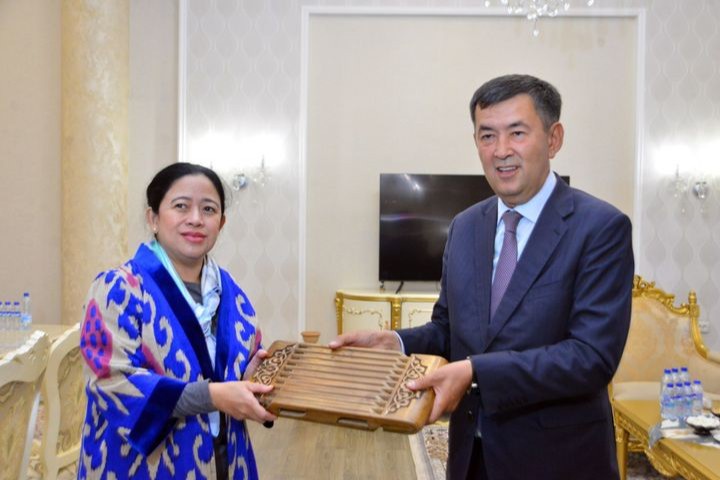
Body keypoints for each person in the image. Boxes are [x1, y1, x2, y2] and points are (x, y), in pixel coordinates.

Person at [330, 74, 634, 479]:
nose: (501, 150)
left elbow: (591, 358)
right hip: (470, 458)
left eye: (517, 133)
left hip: (558, 461)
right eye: (487, 135)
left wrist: (476, 371)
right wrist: (397, 343)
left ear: (554, 139)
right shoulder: (465, 226)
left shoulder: (600, 228)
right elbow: (448, 330)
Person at [77, 163, 276, 479]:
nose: (196, 219)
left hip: (224, 456)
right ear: (153, 218)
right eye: (181, 206)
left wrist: (253, 374)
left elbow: (239, 362)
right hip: (141, 465)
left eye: (208, 209)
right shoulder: (118, 288)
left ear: (221, 223)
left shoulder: (232, 292)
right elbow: (110, 379)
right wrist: (212, 396)